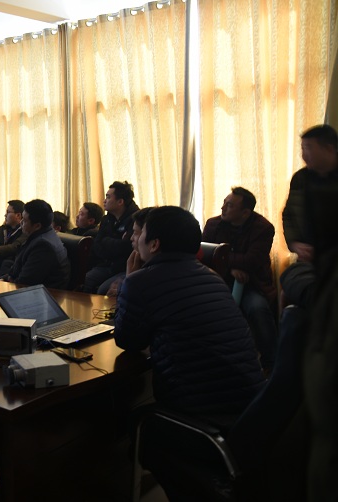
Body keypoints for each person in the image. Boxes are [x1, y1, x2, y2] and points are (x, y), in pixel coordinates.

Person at [115, 206, 264, 426]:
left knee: (128, 417)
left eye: (141, 232)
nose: (133, 238)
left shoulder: (141, 281)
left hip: (201, 415)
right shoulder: (213, 277)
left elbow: (127, 340)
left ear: (154, 244)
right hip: (251, 407)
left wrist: (130, 280)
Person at [203, 187, 278, 372]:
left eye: (229, 205)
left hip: (252, 284)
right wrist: (231, 267)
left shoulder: (263, 228)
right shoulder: (213, 224)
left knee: (258, 309)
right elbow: (204, 256)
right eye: (224, 203)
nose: (222, 208)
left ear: (245, 213)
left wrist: (224, 260)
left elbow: (251, 261)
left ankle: (272, 364)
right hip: (217, 281)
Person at [282, 124, 338, 263]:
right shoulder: (300, 178)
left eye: (308, 148)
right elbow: (289, 214)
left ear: (329, 149)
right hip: (311, 258)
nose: (303, 155)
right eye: (302, 149)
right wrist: (294, 243)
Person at [83, 181, 140, 293]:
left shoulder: (135, 220)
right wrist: (116, 242)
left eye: (108, 197)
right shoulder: (106, 219)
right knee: (85, 280)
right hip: (106, 264)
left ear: (120, 202)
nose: (104, 201)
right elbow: (97, 245)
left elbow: (127, 247)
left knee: (103, 290)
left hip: (124, 268)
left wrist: (106, 241)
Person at [0, 199, 70, 289]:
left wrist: (6, 282)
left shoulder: (43, 246)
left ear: (37, 226)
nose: (21, 222)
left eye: (24, 220)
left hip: (45, 293)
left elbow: (25, 282)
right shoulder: (43, 234)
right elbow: (17, 267)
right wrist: (5, 278)